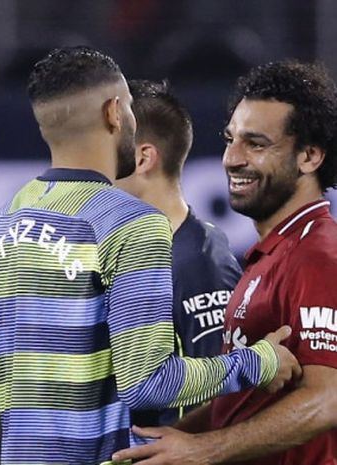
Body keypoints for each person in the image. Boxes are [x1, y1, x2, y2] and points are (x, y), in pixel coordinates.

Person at [0, 46, 298, 465]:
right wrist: (258, 362)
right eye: (129, 107)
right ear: (113, 113)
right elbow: (147, 383)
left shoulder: (6, 218)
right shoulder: (133, 224)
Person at [111, 61, 337, 465]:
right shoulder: (269, 257)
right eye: (230, 139)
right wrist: (156, 444)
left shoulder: (318, 256)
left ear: (310, 156)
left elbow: (328, 399)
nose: (232, 159)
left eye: (256, 143)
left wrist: (202, 449)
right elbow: (238, 405)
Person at [116, 79, 242, 425]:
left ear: (142, 158)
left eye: (103, 151)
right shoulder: (125, 254)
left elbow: (220, 405)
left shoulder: (198, 263)